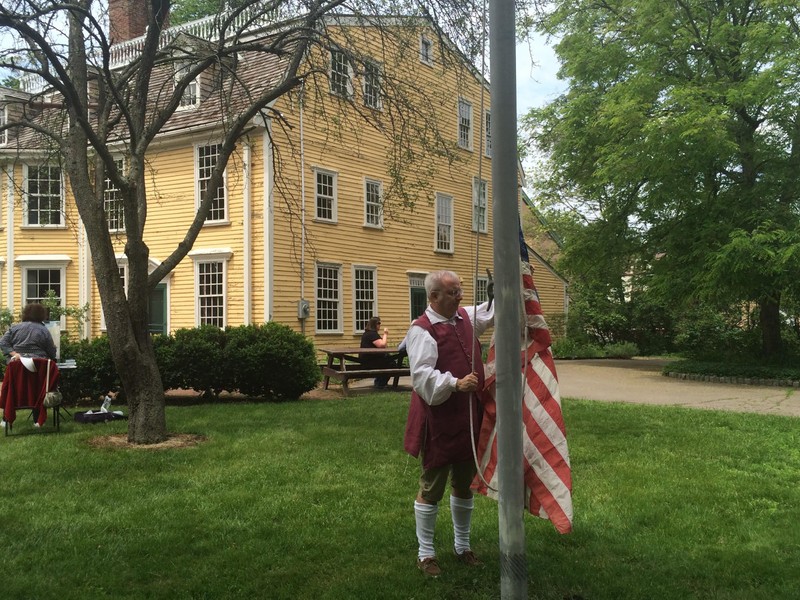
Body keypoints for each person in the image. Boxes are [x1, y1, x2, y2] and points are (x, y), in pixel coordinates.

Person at [403, 270, 494, 577]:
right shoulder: (421, 331)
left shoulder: (464, 318)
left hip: (468, 416)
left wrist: (511, 284)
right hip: (439, 418)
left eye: (460, 291)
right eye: (454, 292)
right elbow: (422, 378)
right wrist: (455, 383)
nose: (460, 297)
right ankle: (425, 554)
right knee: (432, 487)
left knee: (464, 484)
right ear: (434, 297)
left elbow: (489, 311)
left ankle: (462, 546)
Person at [0, 303, 58, 428]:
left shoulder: (15, 328)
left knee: (12, 388)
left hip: (16, 368)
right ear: (41, 315)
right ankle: (37, 420)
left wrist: (14, 353)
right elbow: (52, 352)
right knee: (37, 389)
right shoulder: (44, 330)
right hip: (38, 370)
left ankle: (6, 419)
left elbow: (3, 342)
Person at [360, 316, 392, 388]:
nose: (380, 325)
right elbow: (382, 345)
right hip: (370, 361)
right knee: (391, 364)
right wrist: (385, 334)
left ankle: (379, 382)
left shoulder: (369, 333)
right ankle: (380, 383)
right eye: (379, 323)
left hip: (370, 360)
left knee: (389, 361)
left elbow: (383, 345)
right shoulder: (371, 334)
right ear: (375, 324)